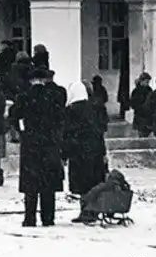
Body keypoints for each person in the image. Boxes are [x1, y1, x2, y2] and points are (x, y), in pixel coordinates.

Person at [9, 67, 66, 227]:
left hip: (31, 145)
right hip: (49, 144)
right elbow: (61, 118)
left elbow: (15, 116)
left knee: (31, 185)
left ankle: (30, 217)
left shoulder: (24, 97)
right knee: (48, 184)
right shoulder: (53, 96)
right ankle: (48, 217)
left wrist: (23, 131)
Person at [62, 82, 107, 223]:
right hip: (95, 150)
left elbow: (67, 133)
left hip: (78, 152)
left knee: (82, 184)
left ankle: (85, 210)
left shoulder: (71, 111)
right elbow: (100, 132)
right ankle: (93, 210)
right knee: (94, 181)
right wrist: (103, 152)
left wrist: (64, 154)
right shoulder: (95, 108)